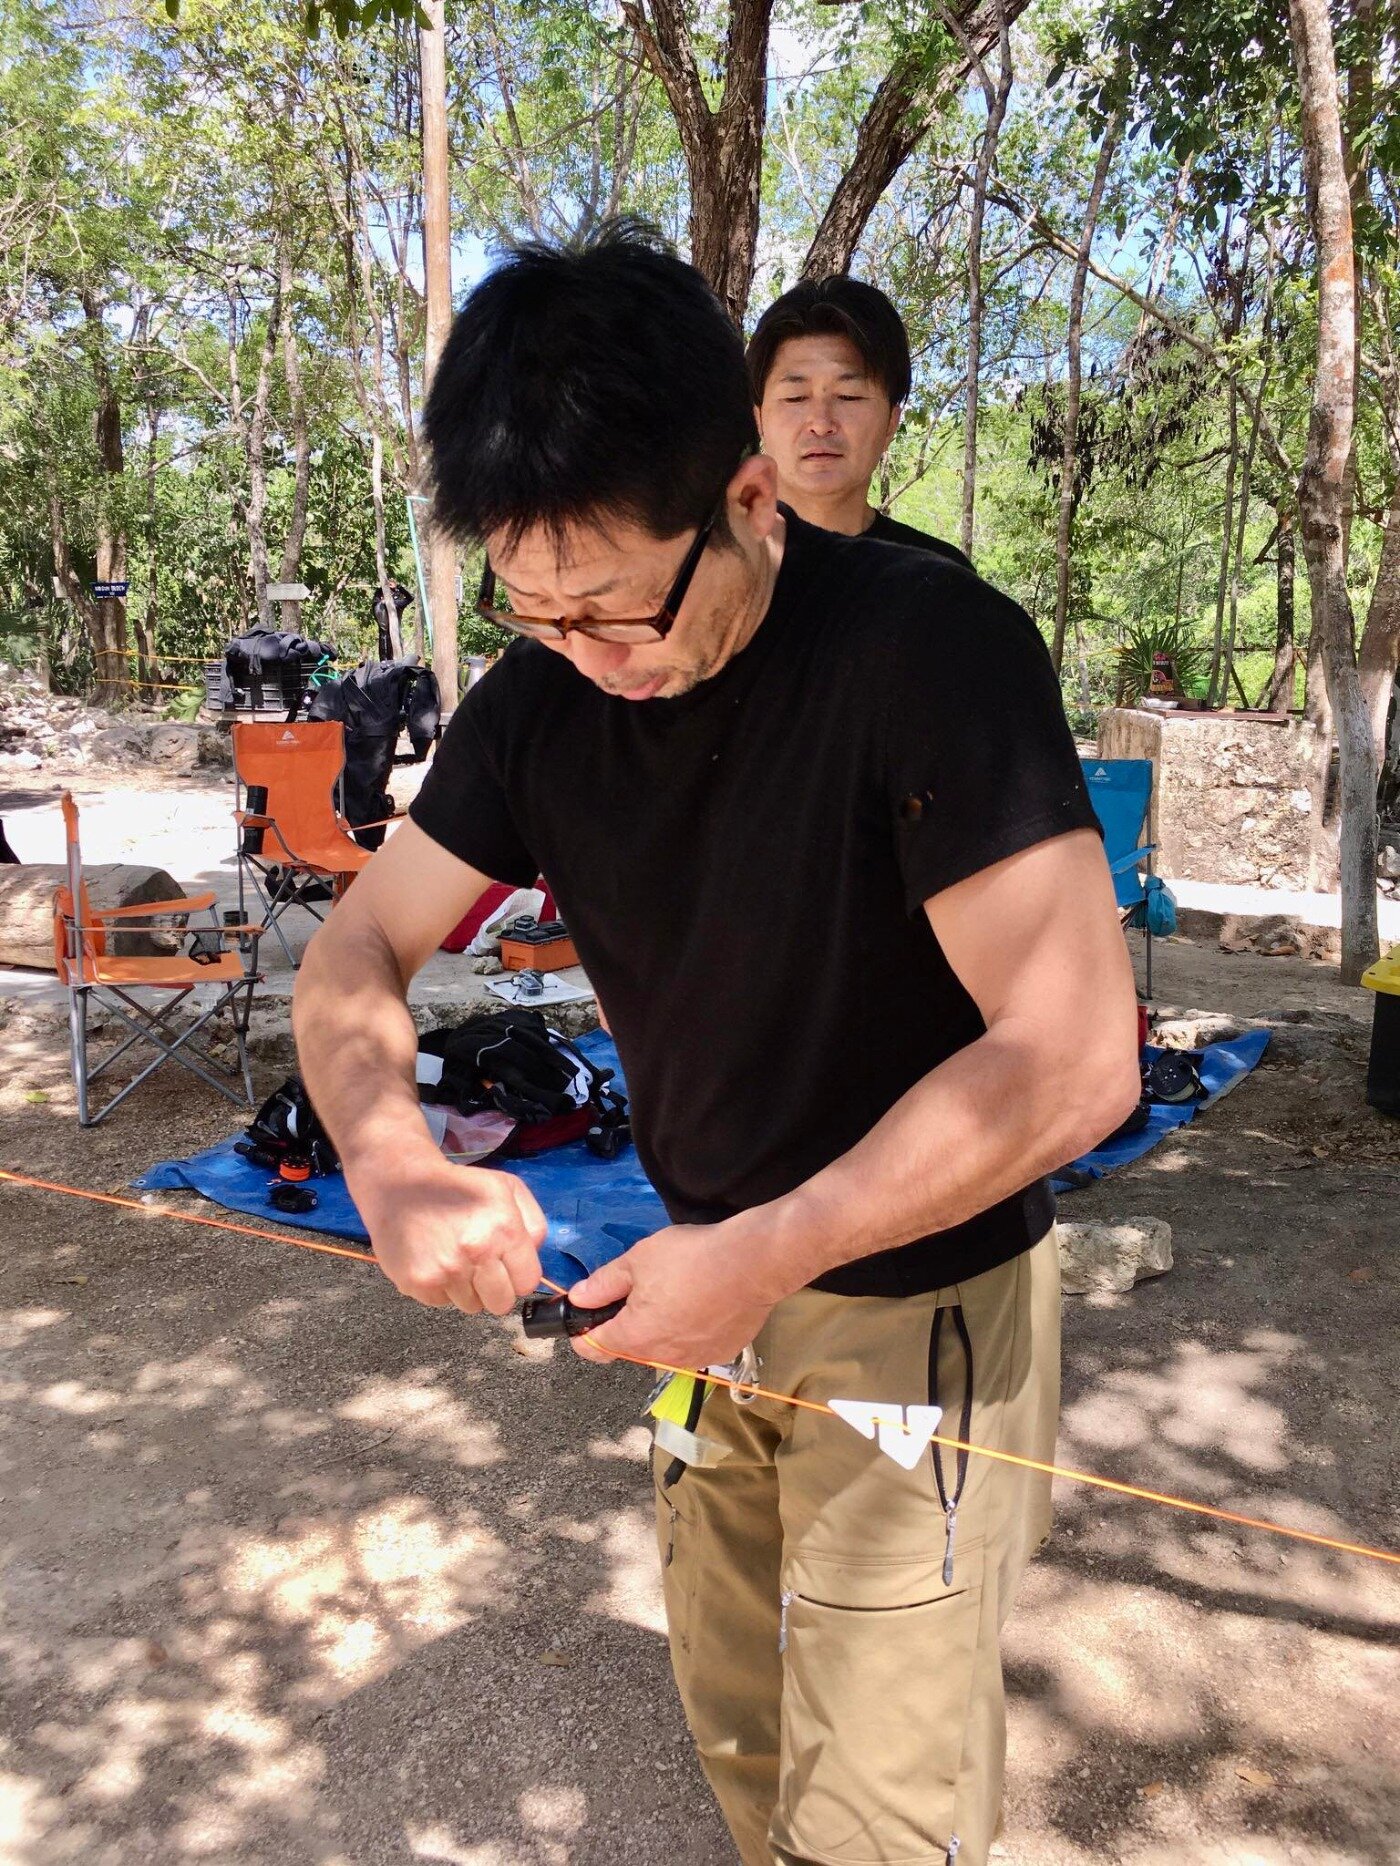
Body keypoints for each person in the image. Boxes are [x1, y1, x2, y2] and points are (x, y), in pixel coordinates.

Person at [292, 222, 1139, 1866]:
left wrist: (769, 1252)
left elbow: (1075, 1052)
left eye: (617, 611)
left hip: (913, 1300)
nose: (591, 661)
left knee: (880, 1794)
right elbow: (359, 945)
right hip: (695, 1291)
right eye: (538, 613)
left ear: (749, 496)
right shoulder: (542, 695)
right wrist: (391, 1163)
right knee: (736, 1699)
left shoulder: (929, 649)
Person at [747, 275, 972, 566]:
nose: (821, 423)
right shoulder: (706, 567)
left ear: (891, 423)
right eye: (795, 397)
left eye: (849, 396)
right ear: (759, 419)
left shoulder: (939, 575)